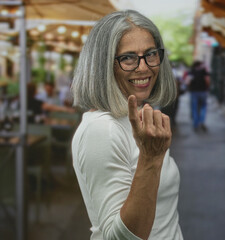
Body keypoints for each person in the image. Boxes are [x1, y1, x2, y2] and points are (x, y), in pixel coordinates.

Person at [71, 10, 182, 240]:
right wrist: (150, 159)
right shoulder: (102, 129)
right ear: (104, 66)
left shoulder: (137, 116)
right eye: (128, 58)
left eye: (150, 54)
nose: (144, 67)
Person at [186, 60, 210, 132]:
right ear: (200, 65)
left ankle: (196, 124)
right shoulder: (204, 71)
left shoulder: (191, 72)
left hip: (194, 92)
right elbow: (207, 80)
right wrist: (207, 87)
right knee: (203, 107)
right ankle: (202, 121)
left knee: (194, 108)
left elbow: (188, 82)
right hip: (203, 91)